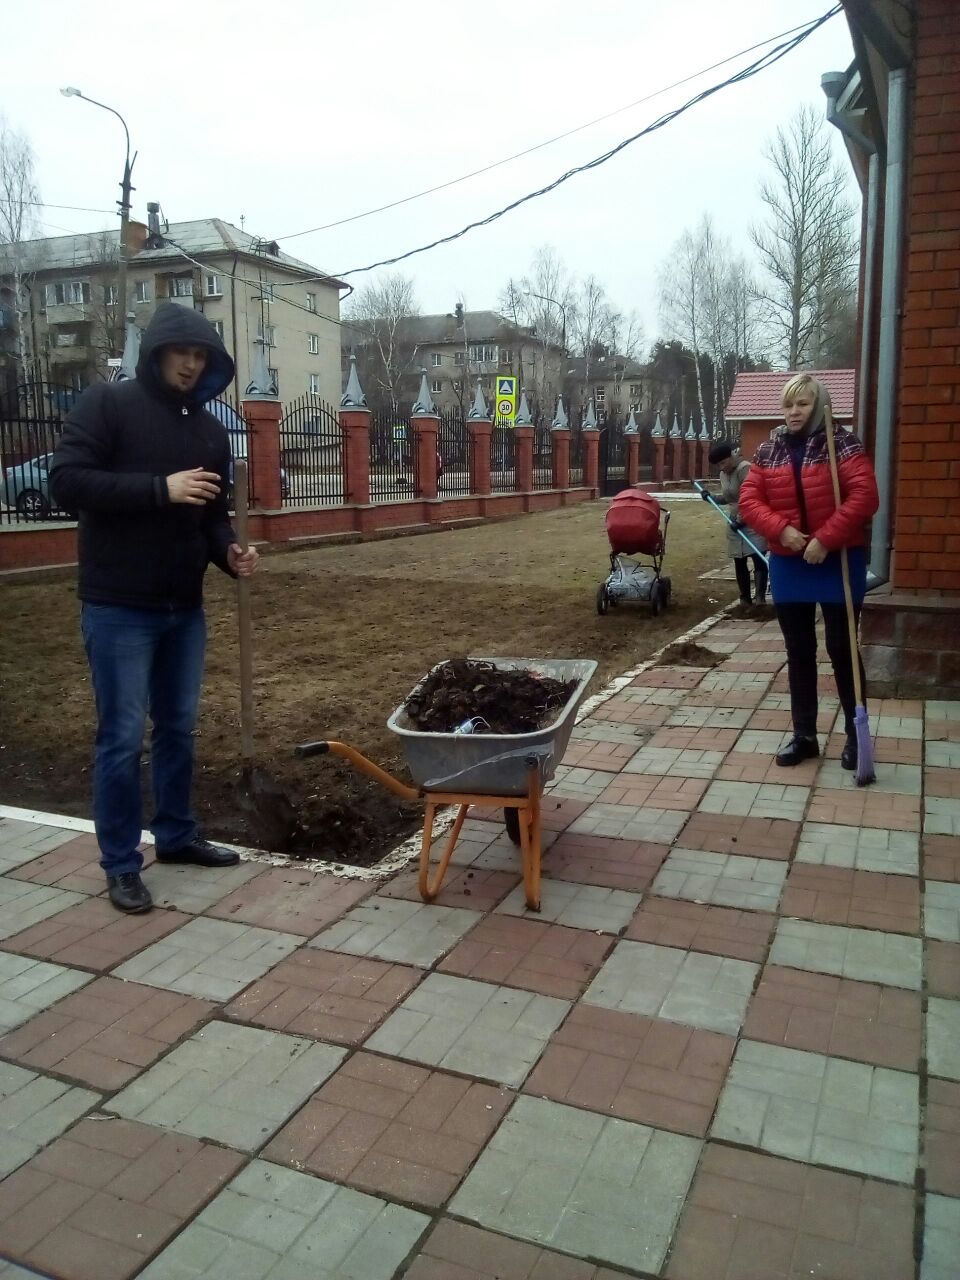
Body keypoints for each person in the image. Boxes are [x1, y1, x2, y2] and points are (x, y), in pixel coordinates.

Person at [49, 303, 259, 914]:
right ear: (157, 353)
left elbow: (210, 517)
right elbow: (67, 482)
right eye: (181, 353)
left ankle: (176, 835)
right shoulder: (108, 405)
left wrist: (230, 553)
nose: (190, 364)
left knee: (177, 729)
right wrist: (158, 489)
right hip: (119, 606)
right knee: (120, 738)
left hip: (182, 608)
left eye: (201, 356)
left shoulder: (210, 432)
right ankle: (120, 863)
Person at [738, 374, 879, 770]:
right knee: (798, 651)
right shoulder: (769, 449)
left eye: (802, 404)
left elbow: (865, 496)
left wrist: (826, 539)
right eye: (788, 405)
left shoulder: (842, 443)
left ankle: (856, 736)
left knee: (842, 648)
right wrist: (781, 530)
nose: (794, 412)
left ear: (820, 405)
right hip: (789, 562)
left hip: (838, 560)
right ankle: (805, 736)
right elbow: (750, 500)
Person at [703, 439, 768, 605]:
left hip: (752, 520)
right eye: (718, 465)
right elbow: (729, 498)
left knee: (758, 557)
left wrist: (742, 520)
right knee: (739, 560)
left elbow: (752, 497)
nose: (721, 467)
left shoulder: (745, 468)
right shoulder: (723, 474)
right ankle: (745, 598)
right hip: (734, 523)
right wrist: (711, 498)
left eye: (723, 463)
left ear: (731, 457)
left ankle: (760, 598)